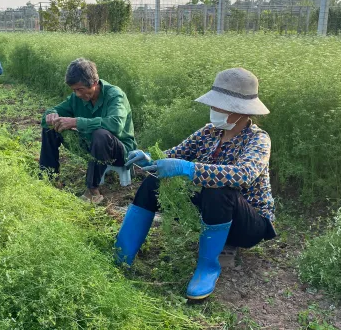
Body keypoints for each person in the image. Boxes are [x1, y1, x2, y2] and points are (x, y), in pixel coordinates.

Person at [117, 68, 277, 300]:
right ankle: (123, 252)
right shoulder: (209, 132)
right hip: (211, 215)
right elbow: (175, 154)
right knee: (154, 182)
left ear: (238, 110)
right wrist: (151, 159)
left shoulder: (258, 139)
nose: (214, 110)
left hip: (249, 224)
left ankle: (208, 267)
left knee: (218, 189)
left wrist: (187, 168)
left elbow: (243, 174)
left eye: (219, 105)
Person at [40, 58, 137, 204]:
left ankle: (93, 191)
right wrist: (51, 115)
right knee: (51, 128)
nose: (78, 94)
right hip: (92, 146)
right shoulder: (76, 97)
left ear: (94, 83)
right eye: (74, 90)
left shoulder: (115, 95)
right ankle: (48, 177)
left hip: (120, 151)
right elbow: (49, 115)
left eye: (80, 89)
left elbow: (115, 125)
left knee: (100, 134)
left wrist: (76, 122)